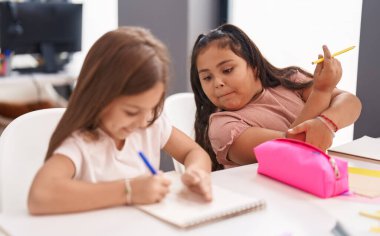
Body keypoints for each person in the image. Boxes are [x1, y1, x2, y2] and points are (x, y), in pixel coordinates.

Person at [28, 26, 212, 215]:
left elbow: (194, 152)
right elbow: (40, 195)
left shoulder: (150, 123)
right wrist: (129, 191)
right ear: (100, 97)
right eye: (131, 112)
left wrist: (196, 173)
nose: (142, 122)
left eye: (150, 108)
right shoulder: (82, 141)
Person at [190, 24, 362, 171]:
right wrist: (322, 91)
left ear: (254, 65)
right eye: (207, 77)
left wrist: (327, 121)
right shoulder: (223, 128)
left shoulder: (290, 81)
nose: (218, 83)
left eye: (227, 70)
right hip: (267, 202)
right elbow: (292, 151)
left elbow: (351, 102)